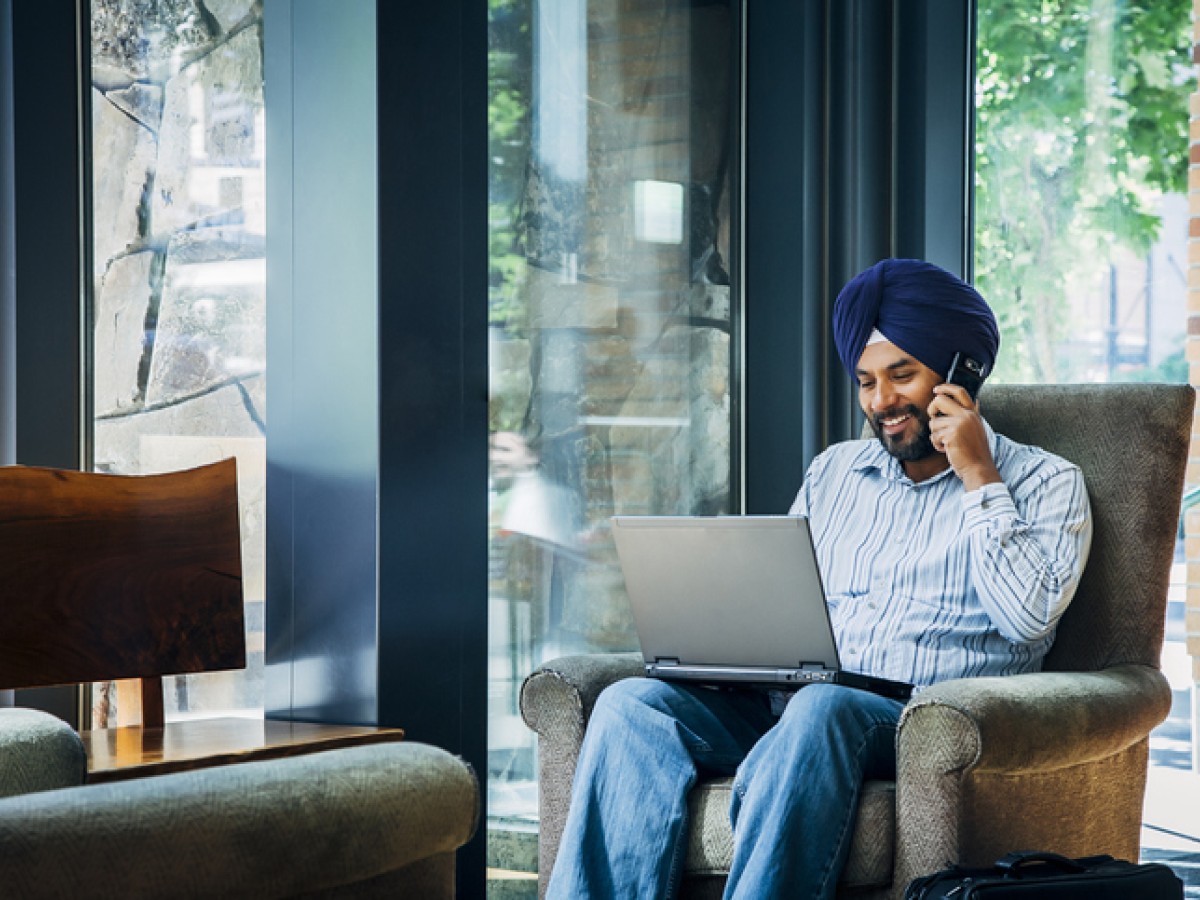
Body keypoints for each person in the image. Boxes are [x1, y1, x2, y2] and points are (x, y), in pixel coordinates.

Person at [545, 258, 1093, 900]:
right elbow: (778, 603)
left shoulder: (1047, 483)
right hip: (793, 706)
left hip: (914, 719)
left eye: (901, 375)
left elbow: (1027, 617)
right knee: (631, 703)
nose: (881, 402)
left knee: (822, 707)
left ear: (962, 372)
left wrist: (978, 476)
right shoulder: (835, 472)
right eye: (865, 382)